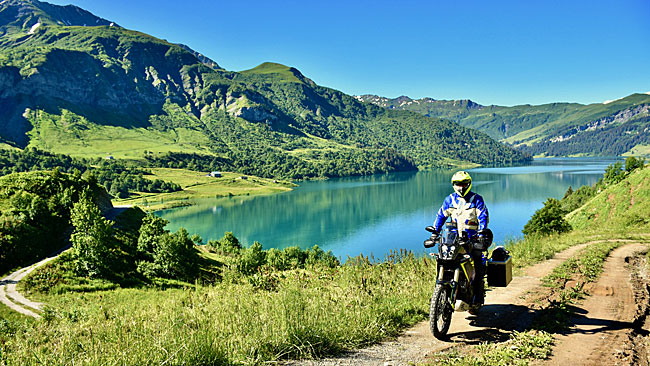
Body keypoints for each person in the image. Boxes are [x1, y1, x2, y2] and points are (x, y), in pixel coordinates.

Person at [429, 170, 490, 306]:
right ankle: (440, 294)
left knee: (478, 267)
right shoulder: (449, 200)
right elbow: (440, 217)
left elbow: (483, 217)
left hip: (472, 240)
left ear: (469, 184)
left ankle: (478, 298)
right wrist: (435, 233)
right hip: (453, 240)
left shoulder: (477, 199)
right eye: (458, 184)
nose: (461, 187)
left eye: (464, 183)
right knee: (443, 261)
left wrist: (481, 234)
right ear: (453, 184)